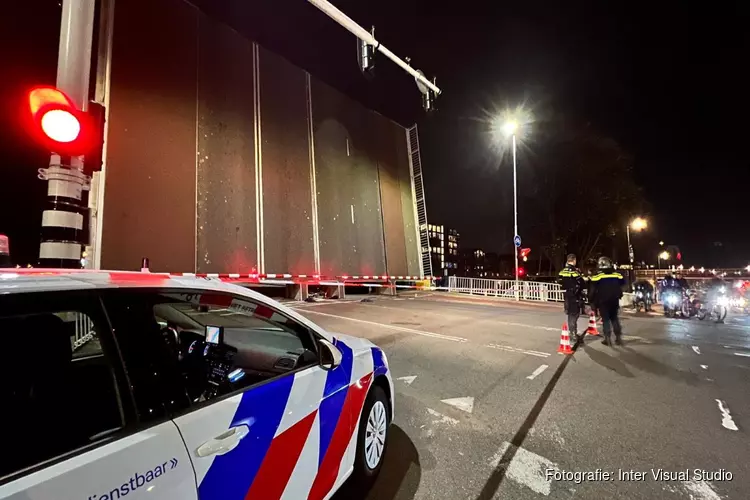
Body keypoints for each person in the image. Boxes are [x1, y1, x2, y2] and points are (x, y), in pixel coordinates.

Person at [590, 256, 625, 346]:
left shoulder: (597, 276)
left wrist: (591, 300)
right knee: (614, 318)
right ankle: (618, 338)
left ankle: (607, 338)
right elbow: (623, 283)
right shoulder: (616, 274)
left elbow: (593, 290)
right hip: (614, 299)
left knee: (605, 319)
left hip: (603, 300)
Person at [558, 254, 586, 343]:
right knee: (574, 314)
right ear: (574, 260)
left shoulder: (562, 271)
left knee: (570, 314)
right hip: (575, 296)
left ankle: (572, 332)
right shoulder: (575, 271)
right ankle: (573, 333)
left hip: (566, 296)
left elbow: (560, 282)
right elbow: (581, 283)